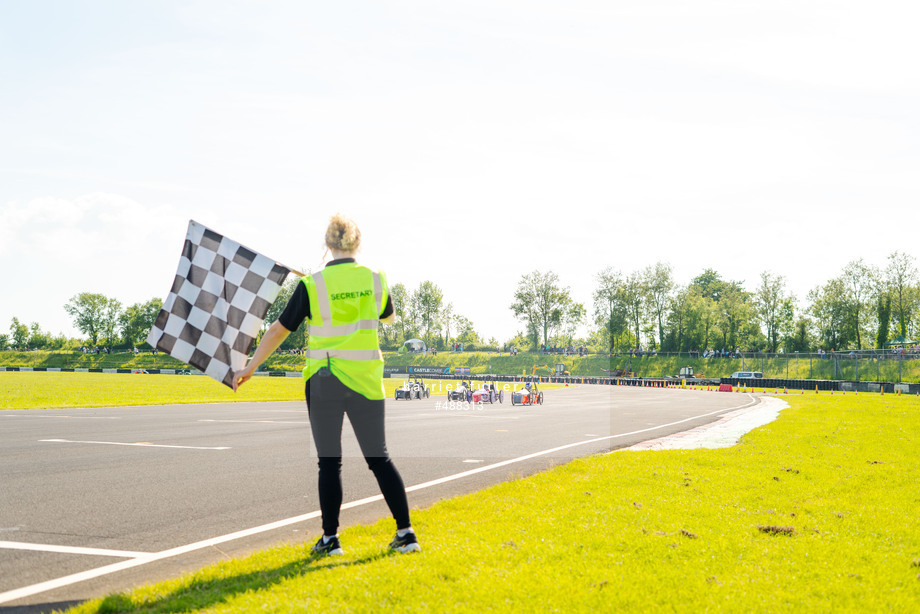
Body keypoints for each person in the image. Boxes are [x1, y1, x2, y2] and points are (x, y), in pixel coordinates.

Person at [233, 214, 419, 556]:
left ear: (327, 244)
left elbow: (277, 331)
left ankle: (331, 540)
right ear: (357, 243)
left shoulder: (311, 284)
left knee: (329, 461)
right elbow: (388, 317)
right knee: (379, 457)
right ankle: (406, 534)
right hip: (365, 379)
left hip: (325, 379)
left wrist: (251, 366)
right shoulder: (377, 278)